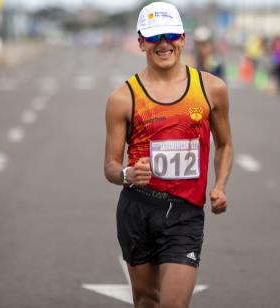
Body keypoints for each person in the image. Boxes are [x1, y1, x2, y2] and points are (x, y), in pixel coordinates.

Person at [104, 2, 233, 307]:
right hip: (138, 210)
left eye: (170, 35)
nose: (163, 43)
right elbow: (110, 166)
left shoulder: (211, 89)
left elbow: (225, 144)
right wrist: (127, 174)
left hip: (185, 213)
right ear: (141, 42)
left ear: (183, 38)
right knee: (146, 299)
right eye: (154, 37)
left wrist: (219, 185)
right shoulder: (123, 98)